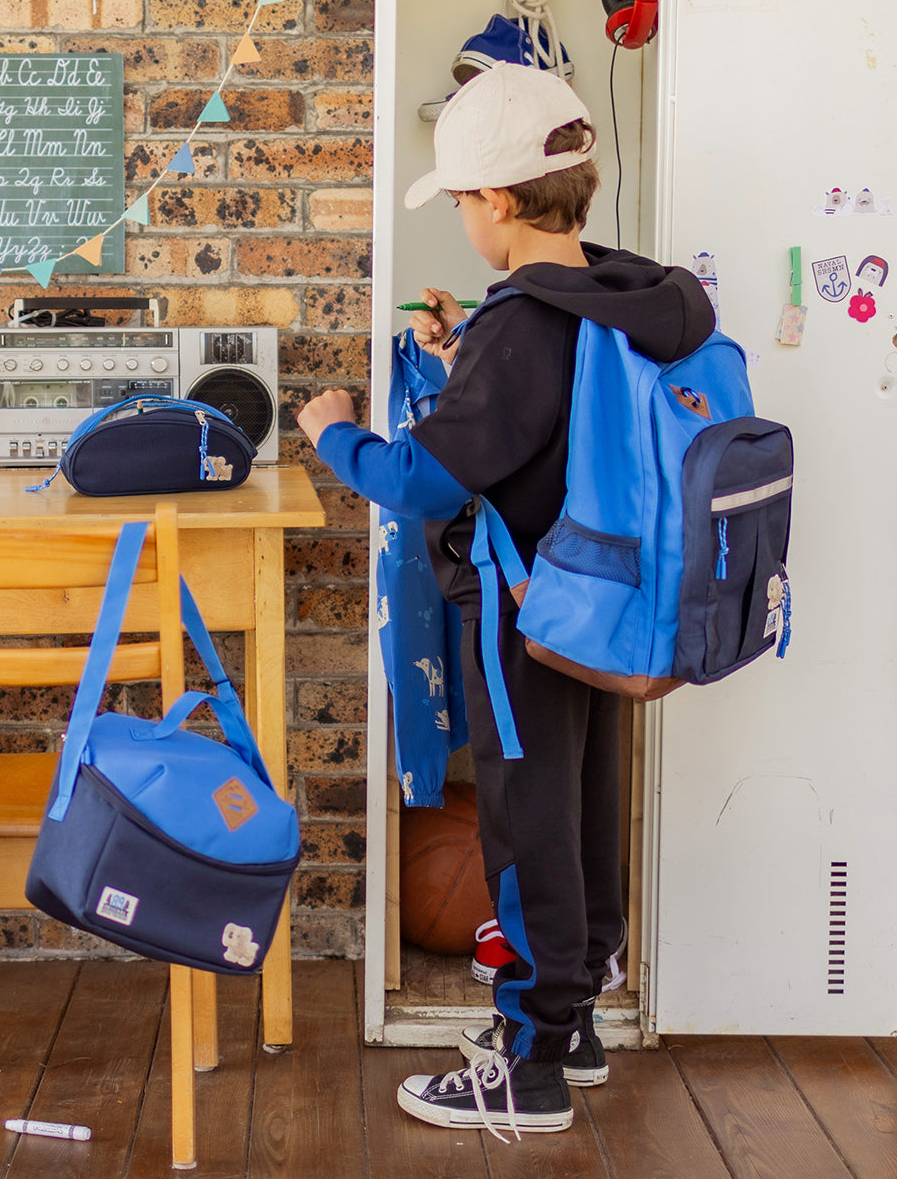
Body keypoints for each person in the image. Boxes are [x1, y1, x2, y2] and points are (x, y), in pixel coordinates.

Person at [296, 62, 714, 1138]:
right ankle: (570, 1029)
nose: (468, 222)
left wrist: (333, 429)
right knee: (580, 808)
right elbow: (540, 416)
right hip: (610, 599)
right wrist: (461, 353)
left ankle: (527, 1067)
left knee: (526, 825)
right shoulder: (625, 288)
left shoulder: (522, 323)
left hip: (528, 608)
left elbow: (420, 481)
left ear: (500, 200)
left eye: (465, 201)